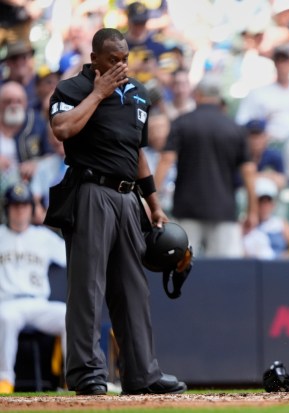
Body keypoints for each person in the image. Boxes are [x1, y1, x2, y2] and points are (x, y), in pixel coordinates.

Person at [48, 27, 186, 396]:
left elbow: (136, 153)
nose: (121, 65)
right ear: (95, 59)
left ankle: (142, 373)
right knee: (88, 287)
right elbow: (62, 129)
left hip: (129, 199)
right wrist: (98, 93)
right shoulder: (72, 89)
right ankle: (85, 372)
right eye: (113, 59)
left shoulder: (139, 94)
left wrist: (154, 204)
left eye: (124, 59)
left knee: (133, 289)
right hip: (91, 191)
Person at [155, 74, 258, 258]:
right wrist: (253, 210)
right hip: (224, 210)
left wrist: (152, 201)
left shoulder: (182, 123)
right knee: (225, 273)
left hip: (187, 209)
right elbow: (249, 172)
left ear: (198, 94)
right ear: (219, 97)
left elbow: (165, 161)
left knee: (181, 268)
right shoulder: (235, 128)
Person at [0, 182, 66, 394]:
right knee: (6, 318)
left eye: (24, 205)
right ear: (7, 208)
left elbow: (73, 256)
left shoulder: (43, 237)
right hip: (7, 304)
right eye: (15, 206)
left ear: (31, 208)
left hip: (38, 304)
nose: (20, 210)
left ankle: (71, 378)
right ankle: (5, 380)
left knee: (69, 316)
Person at [0, 81, 50, 196]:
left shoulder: (37, 123)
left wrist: (36, 164)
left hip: (30, 189)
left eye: (18, 101)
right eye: (8, 101)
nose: (13, 105)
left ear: (25, 103)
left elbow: (53, 154)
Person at [243, 176, 289, 259]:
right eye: (261, 202)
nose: (264, 206)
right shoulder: (242, 226)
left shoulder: (283, 226)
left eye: (268, 202)